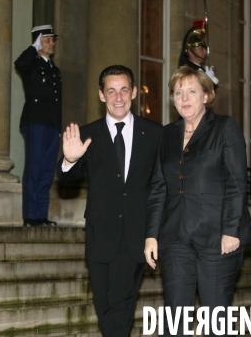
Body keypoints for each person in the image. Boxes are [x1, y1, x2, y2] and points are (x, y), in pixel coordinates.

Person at [144, 66, 251, 336]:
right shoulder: (167, 134)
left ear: (206, 95)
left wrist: (231, 230)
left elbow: (236, 182)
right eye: (178, 92)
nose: (184, 98)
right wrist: (152, 235)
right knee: (175, 322)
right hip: (176, 240)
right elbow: (160, 188)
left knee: (217, 322)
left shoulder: (224, 127)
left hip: (218, 239)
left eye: (192, 91)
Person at [57, 65, 162, 336]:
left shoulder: (153, 134)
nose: (118, 97)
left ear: (134, 93)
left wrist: (155, 232)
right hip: (100, 235)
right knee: (106, 307)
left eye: (124, 90)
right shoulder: (87, 133)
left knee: (120, 305)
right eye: (111, 90)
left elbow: (161, 186)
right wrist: (70, 160)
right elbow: (66, 180)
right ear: (101, 95)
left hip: (135, 236)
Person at [15, 25, 62, 227]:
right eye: (47, 40)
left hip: (51, 125)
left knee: (46, 172)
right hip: (35, 123)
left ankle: (41, 215)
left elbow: (57, 101)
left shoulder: (54, 70)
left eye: (52, 40)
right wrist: (33, 48)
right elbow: (19, 63)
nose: (52, 44)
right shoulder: (31, 65)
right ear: (38, 41)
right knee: (34, 170)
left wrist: (59, 128)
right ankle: (30, 216)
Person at [178, 20, 219, 86]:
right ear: (190, 51)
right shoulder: (188, 70)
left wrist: (211, 78)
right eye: (201, 49)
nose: (205, 51)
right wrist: (209, 79)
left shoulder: (201, 69)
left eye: (205, 49)